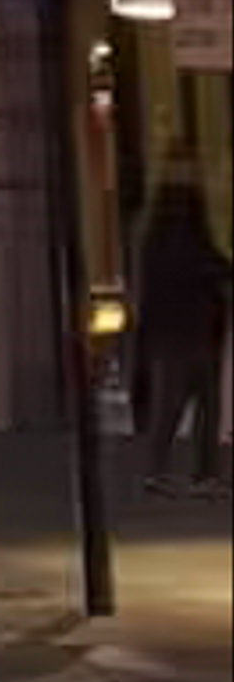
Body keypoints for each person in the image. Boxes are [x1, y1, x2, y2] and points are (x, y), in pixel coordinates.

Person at [129, 159, 229, 491]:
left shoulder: (155, 238)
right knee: (201, 407)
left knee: (171, 406)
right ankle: (202, 472)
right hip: (194, 331)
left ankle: (159, 470)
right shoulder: (189, 237)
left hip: (170, 332)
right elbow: (213, 268)